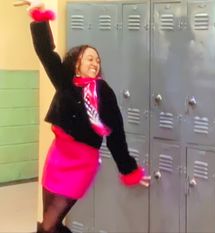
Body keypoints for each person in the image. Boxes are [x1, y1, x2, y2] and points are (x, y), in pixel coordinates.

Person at [14, 1, 151, 233]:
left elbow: (116, 132)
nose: (95, 63)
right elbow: (46, 53)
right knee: (51, 224)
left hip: (81, 163)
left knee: (48, 225)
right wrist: (39, 16)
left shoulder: (103, 91)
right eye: (89, 58)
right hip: (58, 158)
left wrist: (129, 170)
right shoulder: (65, 83)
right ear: (76, 63)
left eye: (97, 60)